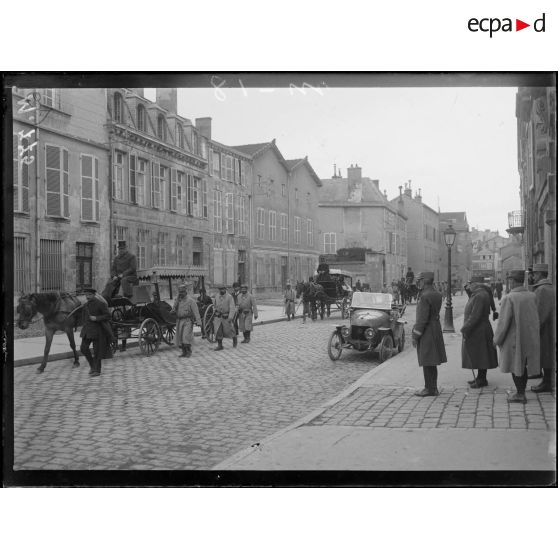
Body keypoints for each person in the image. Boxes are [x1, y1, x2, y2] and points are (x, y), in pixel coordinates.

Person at [493, 269, 540, 403]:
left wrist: (496, 340)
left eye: (510, 281)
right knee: (523, 365)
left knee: (516, 366)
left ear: (512, 281)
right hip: (529, 336)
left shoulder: (509, 298)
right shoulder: (532, 295)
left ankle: (520, 394)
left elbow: (503, 323)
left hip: (514, 338)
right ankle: (521, 391)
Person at [411, 271, 447, 396]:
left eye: (420, 280)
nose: (418, 282)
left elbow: (422, 320)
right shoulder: (437, 294)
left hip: (426, 331)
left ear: (424, 281)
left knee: (427, 360)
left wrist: (415, 336)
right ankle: (433, 387)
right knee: (432, 361)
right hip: (435, 328)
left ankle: (429, 388)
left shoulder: (424, 296)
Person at [460, 276, 499, 388]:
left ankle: (482, 379)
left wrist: (465, 328)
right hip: (480, 328)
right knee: (480, 354)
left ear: (475, 284)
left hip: (479, 329)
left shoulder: (479, 296)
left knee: (482, 354)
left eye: (470, 284)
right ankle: (480, 377)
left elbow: (475, 316)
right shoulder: (480, 293)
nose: (468, 286)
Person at [530, 263, 555, 393]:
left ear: (539, 274)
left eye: (534, 274)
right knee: (547, 355)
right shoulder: (549, 287)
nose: (533, 277)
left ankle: (547, 383)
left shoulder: (542, 289)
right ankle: (547, 381)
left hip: (545, 329)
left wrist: (535, 329)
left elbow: (540, 312)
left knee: (545, 355)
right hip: (550, 327)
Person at [80, 287, 113, 377]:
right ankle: (92, 365)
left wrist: (97, 318)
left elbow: (108, 316)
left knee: (97, 351)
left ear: (94, 295)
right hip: (87, 331)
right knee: (83, 348)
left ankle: (97, 370)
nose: (87, 297)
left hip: (98, 331)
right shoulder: (85, 305)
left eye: (89, 295)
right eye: (86, 295)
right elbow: (83, 317)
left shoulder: (100, 304)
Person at [173, 283, 201, 358]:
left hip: (188, 321)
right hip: (179, 321)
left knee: (186, 336)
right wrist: (176, 302)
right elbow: (174, 309)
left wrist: (199, 322)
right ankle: (184, 352)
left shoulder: (191, 301)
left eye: (182, 292)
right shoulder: (178, 300)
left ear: (186, 292)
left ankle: (189, 351)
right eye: (180, 292)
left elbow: (196, 311)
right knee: (180, 337)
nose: (181, 294)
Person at [213, 285, 237, 350]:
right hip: (218, 317)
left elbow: (232, 308)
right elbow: (214, 306)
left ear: (225, 289)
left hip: (226, 316)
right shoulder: (217, 296)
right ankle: (220, 345)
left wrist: (230, 317)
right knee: (218, 331)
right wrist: (215, 311)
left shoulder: (229, 297)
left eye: (223, 289)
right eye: (220, 289)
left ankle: (234, 338)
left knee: (229, 330)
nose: (221, 290)